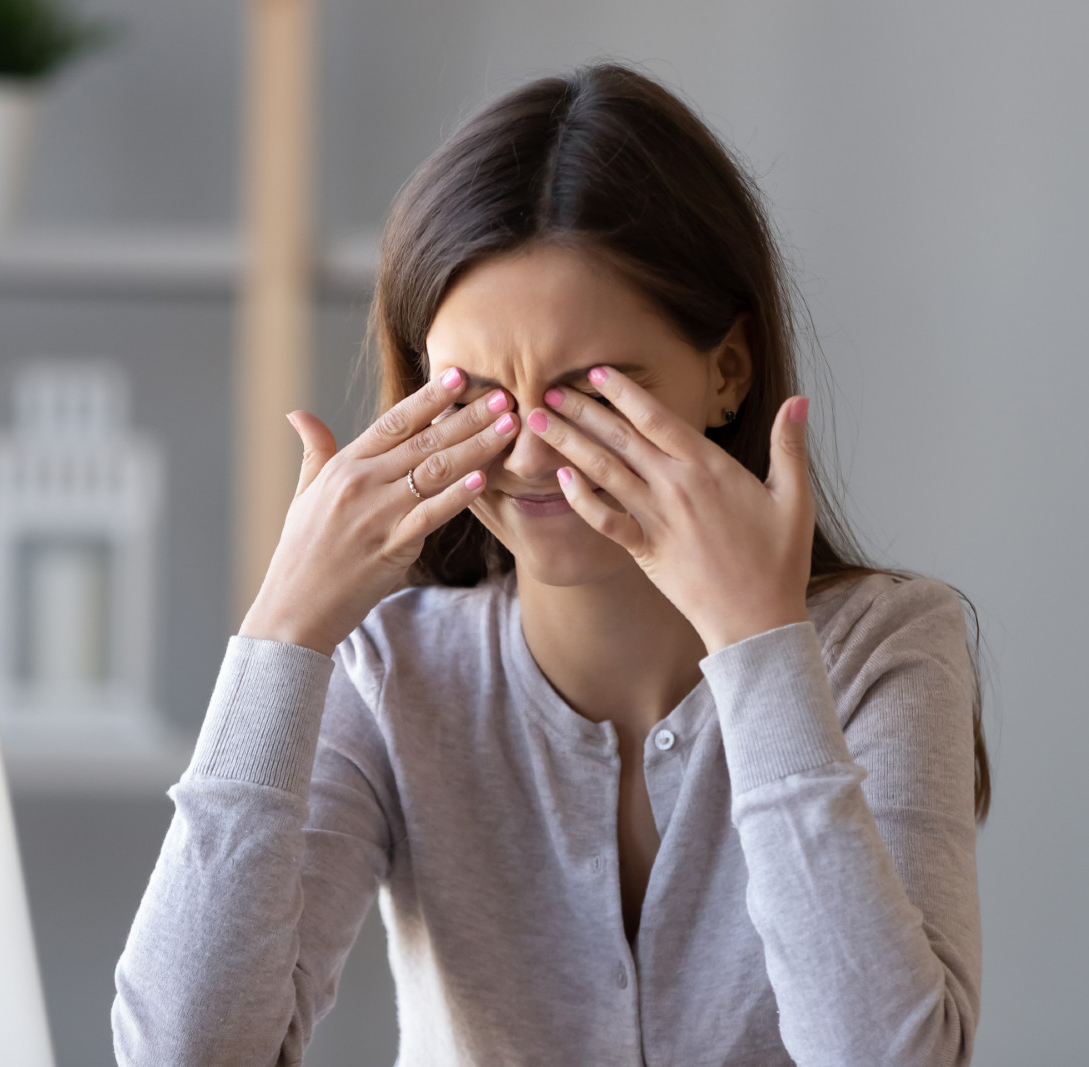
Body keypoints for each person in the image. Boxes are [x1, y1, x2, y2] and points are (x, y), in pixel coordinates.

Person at [113, 61, 991, 1067]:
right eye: (477, 395)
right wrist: (282, 633)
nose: (528, 454)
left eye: (588, 392)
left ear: (728, 370)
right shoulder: (392, 668)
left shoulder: (884, 647)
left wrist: (759, 644)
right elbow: (185, 1052)